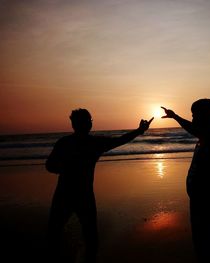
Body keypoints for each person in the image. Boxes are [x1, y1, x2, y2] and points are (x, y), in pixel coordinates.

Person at [45, 108, 153, 263]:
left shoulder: (68, 142)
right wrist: (139, 131)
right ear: (77, 124)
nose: (89, 123)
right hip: (77, 195)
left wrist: (139, 131)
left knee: (59, 233)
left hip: (68, 193)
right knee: (85, 235)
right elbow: (119, 140)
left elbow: (49, 166)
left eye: (89, 120)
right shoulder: (90, 143)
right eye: (87, 120)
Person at [161, 99, 210, 262]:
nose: (193, 120)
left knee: (208, 248)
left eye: (196, 116)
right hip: (200, 203)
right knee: (204, 246)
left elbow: (194, 129)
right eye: (193, 116)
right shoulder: (206, 138)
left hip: (209, 206)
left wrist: (176, 117)